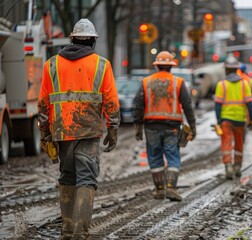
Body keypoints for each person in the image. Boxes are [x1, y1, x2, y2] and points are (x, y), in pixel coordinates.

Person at [37, 18, 120, 239]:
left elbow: (43, 103)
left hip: (61, 130)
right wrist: (113, 128)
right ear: (92, 41)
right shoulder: (102, 65)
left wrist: (45, 132)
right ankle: (80, 232)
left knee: (67, 176)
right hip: (89, 130)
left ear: (72, 38)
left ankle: (67, 230)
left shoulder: (51, 64)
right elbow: (111, 101)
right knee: (86, 179)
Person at [133, 51, 196, 202]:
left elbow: (138, 105)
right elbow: (188, 106)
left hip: (151, 126)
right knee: (173, 155)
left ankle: (160, 189)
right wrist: (193, 126)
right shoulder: (178, 82)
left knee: (154, 156)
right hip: (172, 126)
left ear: (157, 66)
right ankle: (171, 187)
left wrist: (138, 126)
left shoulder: (146, 82)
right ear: (171, 67)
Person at [214, 54, 252, 180]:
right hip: (240, 120)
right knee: (239, 144)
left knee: (226, 143)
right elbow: (250, 104)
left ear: (226, 70)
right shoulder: (244, 84)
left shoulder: (221, 85)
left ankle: (228, 167)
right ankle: (237, 167)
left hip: (226, 120)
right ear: (236, 69)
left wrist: (219, 120)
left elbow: (217, 105)